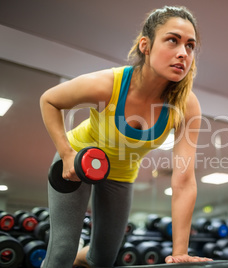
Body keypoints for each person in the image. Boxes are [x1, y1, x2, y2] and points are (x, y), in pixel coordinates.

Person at [39, 5, 211, 268]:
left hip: (121, 173)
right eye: (172, 40)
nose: (182, 53)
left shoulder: (186, 104)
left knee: (104, 259)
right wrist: (66, 153)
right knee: (62, 250)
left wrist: (180, 252)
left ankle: (78, 259)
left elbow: (184, 180)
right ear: (146, 45)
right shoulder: (108, 84)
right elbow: (49, 100)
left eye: (190, 46)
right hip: (79, 159)